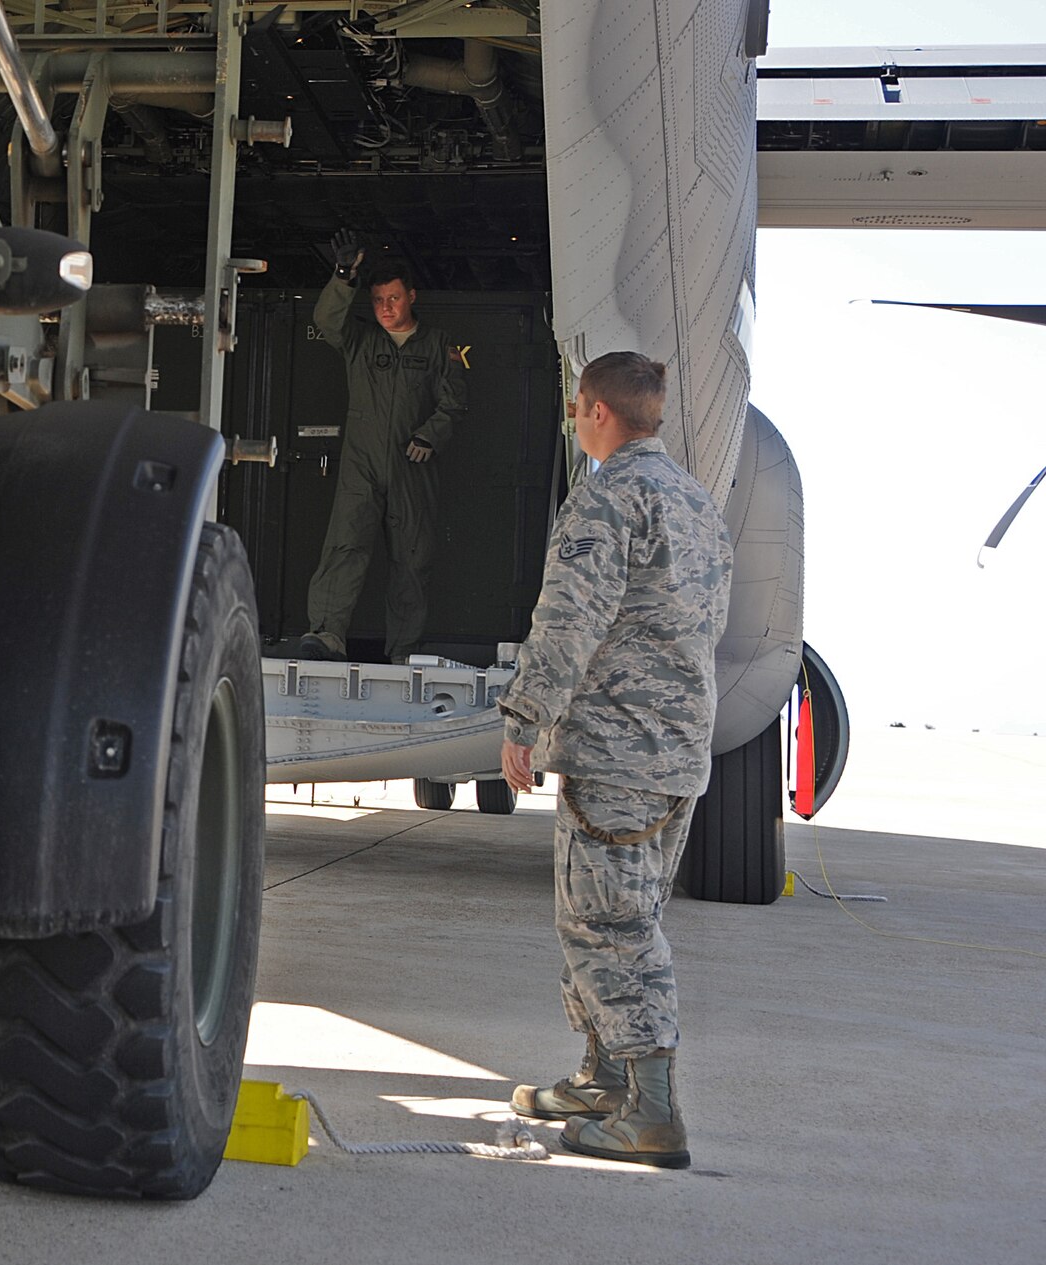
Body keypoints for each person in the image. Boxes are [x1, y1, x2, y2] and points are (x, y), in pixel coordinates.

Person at [497, 351, 732, 1169]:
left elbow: (569, 619)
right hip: (674, 755)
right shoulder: (697, 503)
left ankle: (654, 1113)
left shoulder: (607, 498)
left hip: (616, 756)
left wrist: (524, 717)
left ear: (597, 411)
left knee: (610, 926)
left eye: (576, 406)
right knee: (611, 917)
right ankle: (603, 1079)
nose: (573, 416)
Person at [296, 230, 467, 664]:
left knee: (411, 559)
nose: (385, 308)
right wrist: (342, 277)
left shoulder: (435, 344)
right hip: (363, 463)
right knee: (345, 545)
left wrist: (432, 433)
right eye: (377, 301)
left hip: (412, 464)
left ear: (411, 296)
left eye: (393, 298)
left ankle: (403, 651)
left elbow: (454, 400)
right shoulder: (361, 340)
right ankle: (326, 634)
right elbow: (327, 321)